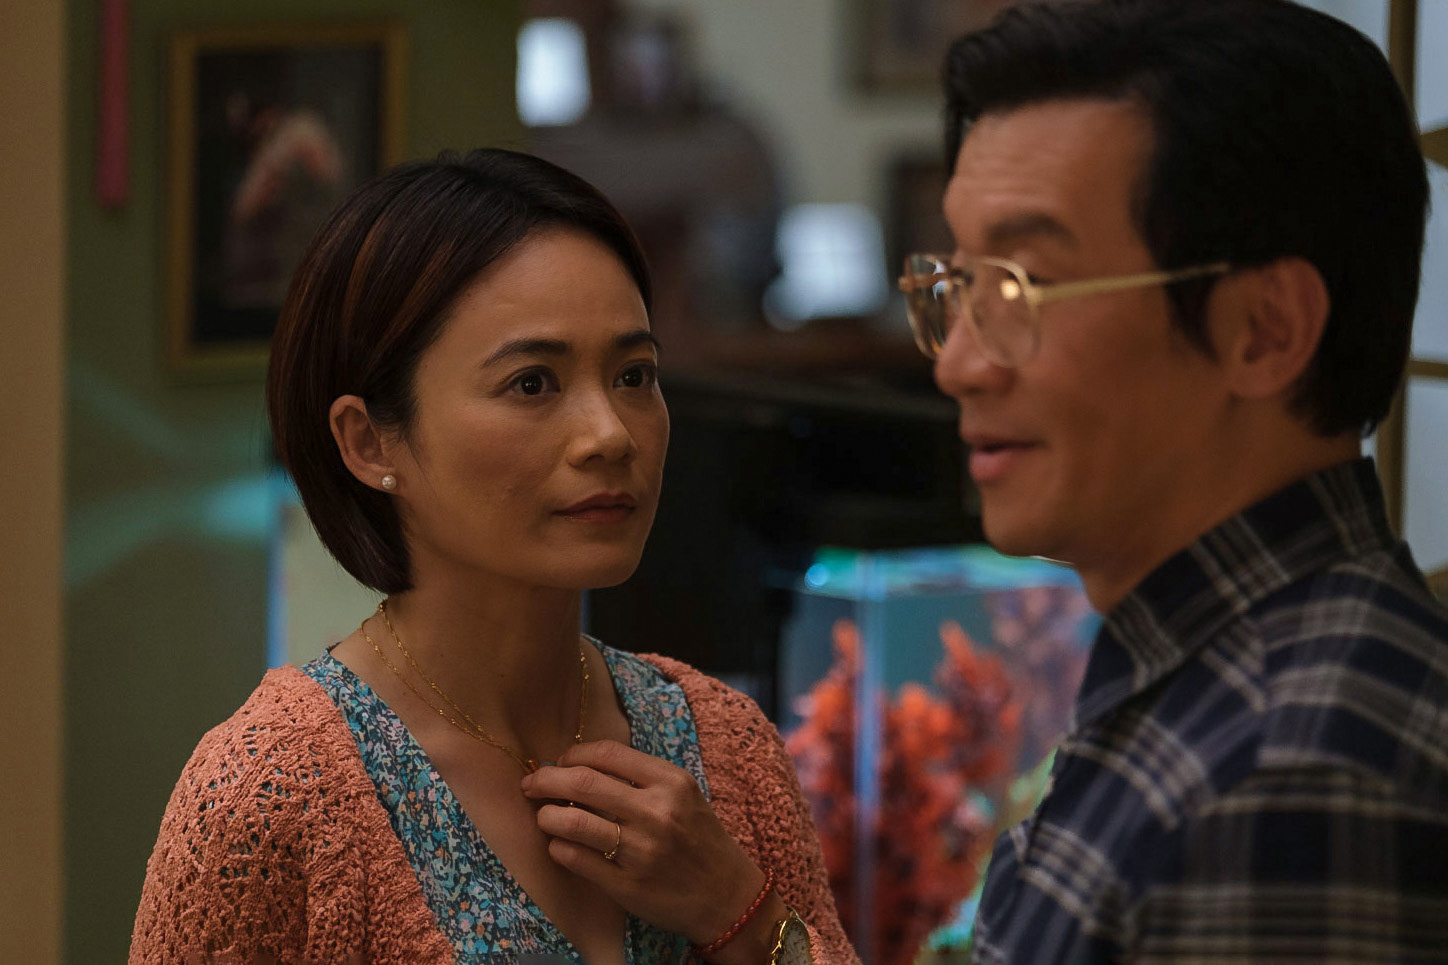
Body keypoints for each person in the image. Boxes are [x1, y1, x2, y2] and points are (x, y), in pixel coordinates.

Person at [130, 148, 851, 965]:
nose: (610, 434)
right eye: (532, 383)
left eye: (634, 375)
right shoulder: (271, 795)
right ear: (369, 441)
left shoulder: (728, 748)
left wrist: (740, 912)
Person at [897, 1, 1448, 961]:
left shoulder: (1288, 780)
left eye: (1026, 284)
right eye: (960, 284)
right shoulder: (1203, 667)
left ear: (1265, 328)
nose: (959, 363)